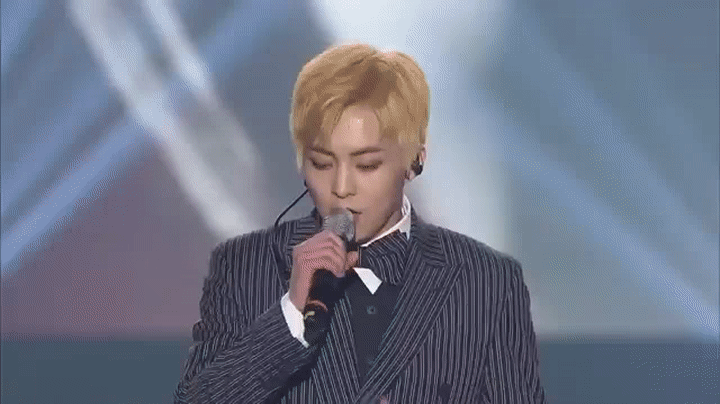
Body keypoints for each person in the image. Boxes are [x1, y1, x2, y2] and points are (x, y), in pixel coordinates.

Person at [174, 43, 547, 403]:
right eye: (322, 163)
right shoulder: (244, 267)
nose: (341, 187)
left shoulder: (487, 281)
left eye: (367, 165)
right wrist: (290, 317)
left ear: (415, 161)